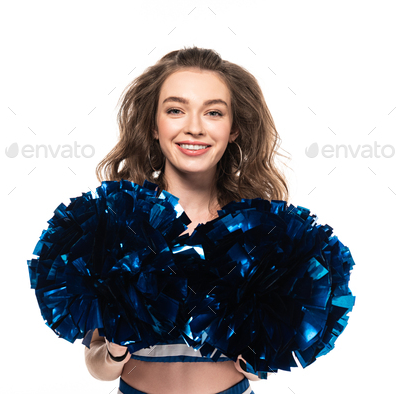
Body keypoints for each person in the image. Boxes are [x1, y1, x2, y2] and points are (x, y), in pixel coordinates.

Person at [84, 46, 290, 394]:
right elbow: (98, 366)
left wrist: (260, 356)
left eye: (213, 113)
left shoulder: (259, 228)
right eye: (176, 110)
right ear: (153, 124)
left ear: (234, 128)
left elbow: (265, 361)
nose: (194, 128)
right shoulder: (117, 225)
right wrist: (118, 345)